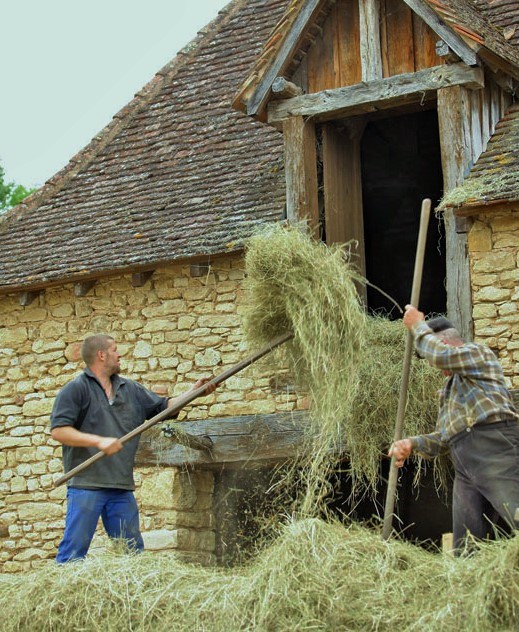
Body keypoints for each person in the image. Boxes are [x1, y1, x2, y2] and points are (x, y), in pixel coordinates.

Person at [50, 333, 215, 563]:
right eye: (115, 350)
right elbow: (59, 430)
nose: (120, 354)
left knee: (133, 557)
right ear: (101, 355)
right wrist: (98, 441)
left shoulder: (130, 389)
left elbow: (163, 407)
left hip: (120, 487)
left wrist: (193, 393)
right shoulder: (77, 389)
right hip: (86, 486)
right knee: (74, 553)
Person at [389, 305, 519, 552]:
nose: (435, 367)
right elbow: (444, 438)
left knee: (516, 511)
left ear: (445, 342)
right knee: (466, 542)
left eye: (431, 357)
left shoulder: (477, 354)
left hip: (492, 446)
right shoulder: (449, 390)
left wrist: (418, 325)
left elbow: (441, 357)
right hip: (464, 462)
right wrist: (412, 444)